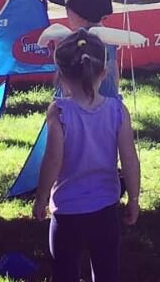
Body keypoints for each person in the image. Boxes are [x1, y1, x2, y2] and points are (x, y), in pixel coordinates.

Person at [32, 30, 141, 282]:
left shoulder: (58, 112)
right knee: (106, 272)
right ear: (104, 73)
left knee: (64, 273)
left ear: (60, 76)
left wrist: (41, 197)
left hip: (67, 211)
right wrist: (133, 199)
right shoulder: (117, 110)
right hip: (105, 210)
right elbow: (130, 160)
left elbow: (52, 160)